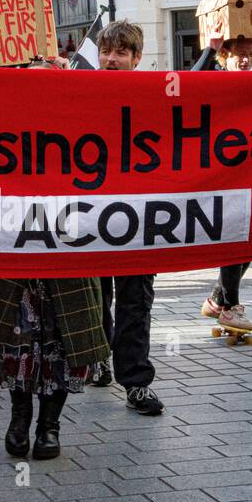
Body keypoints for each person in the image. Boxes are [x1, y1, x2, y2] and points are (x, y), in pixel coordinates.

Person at [0, 279, 108, 459]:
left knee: (63, 340)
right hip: (17, 273)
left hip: (67, 271)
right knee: (16, 338)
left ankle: (49, 425)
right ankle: (20, 417)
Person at [93, 21, 164, 414]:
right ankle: (99, 358)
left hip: (138, 216)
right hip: (92, 213)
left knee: (135, 300)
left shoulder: (154, 97)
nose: (111, 59)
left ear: (137, 58)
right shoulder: (81, 92)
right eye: (106, 51)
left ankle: (135, 381)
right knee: (97, 295)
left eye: (120, 52)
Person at [203, 36, 252, 332]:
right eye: (239, 54)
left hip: (251, 173)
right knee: (234, 240)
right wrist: (210, 49)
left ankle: (217, 298)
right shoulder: (216, 82)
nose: (246, 59)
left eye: (250, 54)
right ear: (226, 56)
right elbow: (192, 79)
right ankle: (229, 307)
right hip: (223, 175)